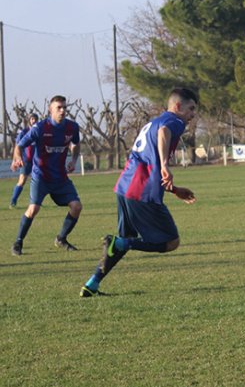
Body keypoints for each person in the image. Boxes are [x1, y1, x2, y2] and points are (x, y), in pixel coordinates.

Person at [80, 88, 199, 297]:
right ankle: (120, 243)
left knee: (122, 243)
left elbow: (148, 155)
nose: (193, 115)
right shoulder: (174, 121)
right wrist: (164, 164)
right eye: (191, 109)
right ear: (177, 106)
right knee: (171, 242)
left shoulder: (152, 122)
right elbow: (164, 132)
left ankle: (92, 283)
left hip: (125, 188)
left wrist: (174, 189)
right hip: (142, 191)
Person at [10, 95, 82, 255]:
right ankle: (18, 242)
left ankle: (61, 239)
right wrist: (17, 157)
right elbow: (19, 145)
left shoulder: (72, 127)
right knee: (33, 209)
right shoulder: (40, 128)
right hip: (41, 177)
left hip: (60, 178)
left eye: (64, 107)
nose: (63, 110)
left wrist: (74, 160)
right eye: (59, 108)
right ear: (51, 110)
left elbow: (76, 144)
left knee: (76, 207)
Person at [9, 113, 39, 208]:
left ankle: (35, 202)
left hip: (37, 161)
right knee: (22, 181)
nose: (34, 121)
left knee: (40, 181)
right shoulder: (24, 132)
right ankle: (13, 201)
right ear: (29, 120)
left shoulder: (39, 131)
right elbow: (17, 147)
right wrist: (15, 160)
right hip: (25, 161)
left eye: (35, 119)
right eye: (32, 119)